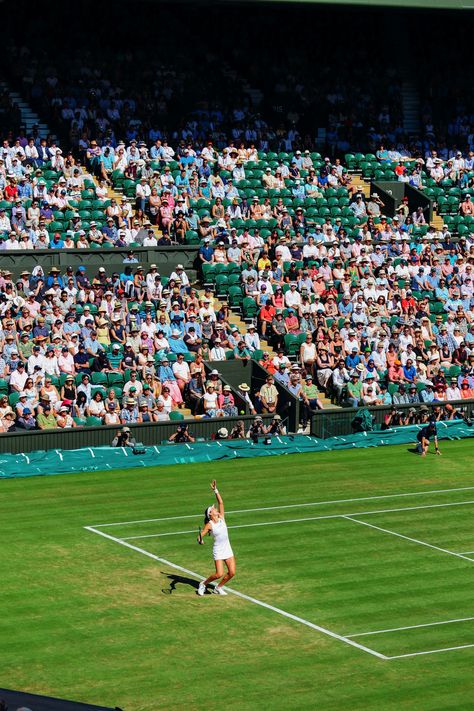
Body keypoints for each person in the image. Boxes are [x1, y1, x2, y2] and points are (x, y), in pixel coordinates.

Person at [197, 480, 235, 596]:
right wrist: (200, 540)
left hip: (227, 549)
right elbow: (200, 535)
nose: (216, 509)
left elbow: (221, 502)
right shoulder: (210, 525)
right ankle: (203, 583)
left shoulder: (222, 518)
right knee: (219, 574)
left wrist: (215, 490)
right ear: (210, 514)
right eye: (214, 509)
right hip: (218, 550)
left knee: (232, 572)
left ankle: (218, 588)